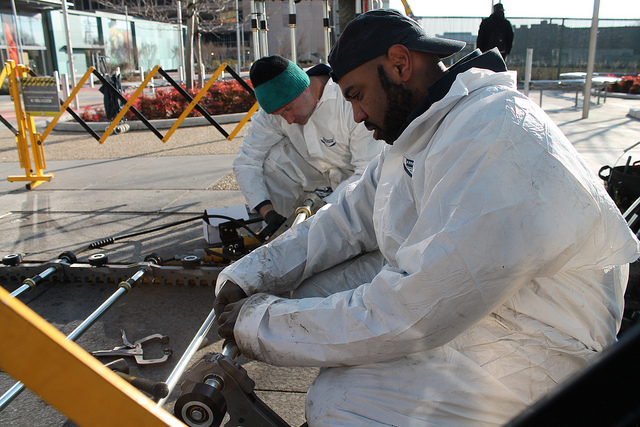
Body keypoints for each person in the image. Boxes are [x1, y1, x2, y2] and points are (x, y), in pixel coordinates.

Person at [215, 9, 639, 426]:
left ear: (400, 63)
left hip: (543, 341)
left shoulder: (493, 136)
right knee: (306, 291)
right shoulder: (426, 128)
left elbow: (410, 312)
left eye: (356, 95)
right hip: (492, 301)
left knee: (340, 403)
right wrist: (254, 273)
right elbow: (347, 217)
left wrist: (259, 326)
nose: (357, 116)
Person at [233, 55, 384, 228]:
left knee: (356, 226)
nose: (288, 120)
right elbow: (247, 160)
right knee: (273, 160)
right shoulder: (277, 112)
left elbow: (368, 172)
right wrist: (267, 212)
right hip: (317, 174)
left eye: (289, 108)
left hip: (356, 178)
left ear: (305, 88)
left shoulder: (348, 101)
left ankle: (317, 229)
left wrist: (324, 210)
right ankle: (282, 232)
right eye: (281, 114)